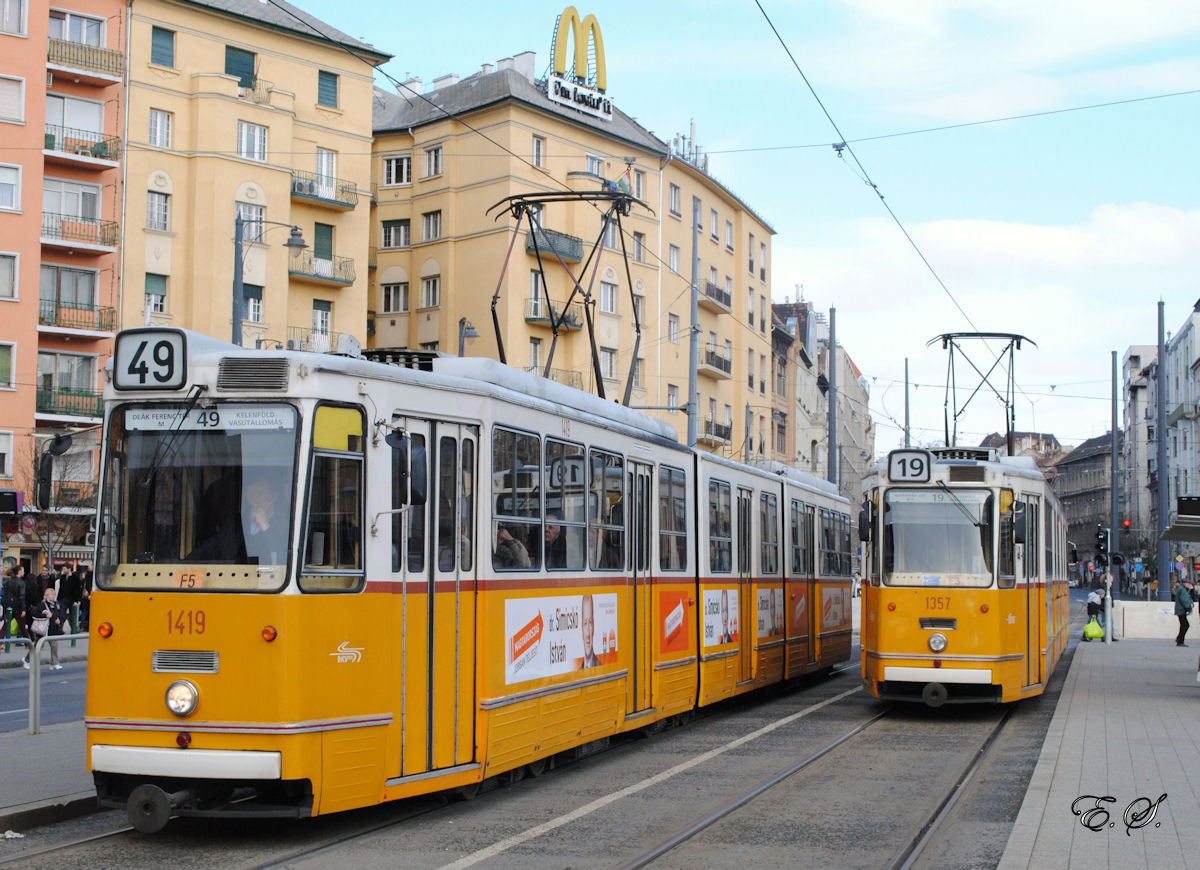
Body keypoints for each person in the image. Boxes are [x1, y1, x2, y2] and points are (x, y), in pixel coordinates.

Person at [24, 586, 67, 670]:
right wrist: (45, 616)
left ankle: (55, 662)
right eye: (51, 595)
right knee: (36, 646)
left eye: (54, 595)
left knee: (54, 646)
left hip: (52, 629)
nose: (53, 596)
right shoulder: (42, 604)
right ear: (47, 595)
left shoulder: (54, 604)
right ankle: (27, 660)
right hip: (43, 629)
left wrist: (57, 620)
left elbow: (55, 614)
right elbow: (35, 613)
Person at [59, 562, 83, 634]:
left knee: (72, 616)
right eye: (62, 569)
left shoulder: (75, 577)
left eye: (64, 569)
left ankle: (74, 629)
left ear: (69, 569)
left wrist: (77, 600)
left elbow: (78, 589)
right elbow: (61, 588)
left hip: (72, 599)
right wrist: (58, 598)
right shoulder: (62, 577)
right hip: (64, 599)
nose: (63, 570)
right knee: (62, 615)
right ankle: (60, 628)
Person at [579, 593, 600, 668]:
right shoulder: (578, 670)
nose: (588, 633)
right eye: (585, 623)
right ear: (582, 630)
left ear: (593, 627)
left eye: (590, 622)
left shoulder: (601, 667)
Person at [1176, 578, 1194, 647]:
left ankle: (1179, 639)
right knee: (1185, 625)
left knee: (1184, 625)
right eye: (1188, 583)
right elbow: (1185, 600)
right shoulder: (1182, 590)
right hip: (1181, 610)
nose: (1189, 585)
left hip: (1180, 610)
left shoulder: (1182, 589)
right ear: (1184, 583)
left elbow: (1188, 598)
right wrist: (1189, 607)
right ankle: (1180, 640)